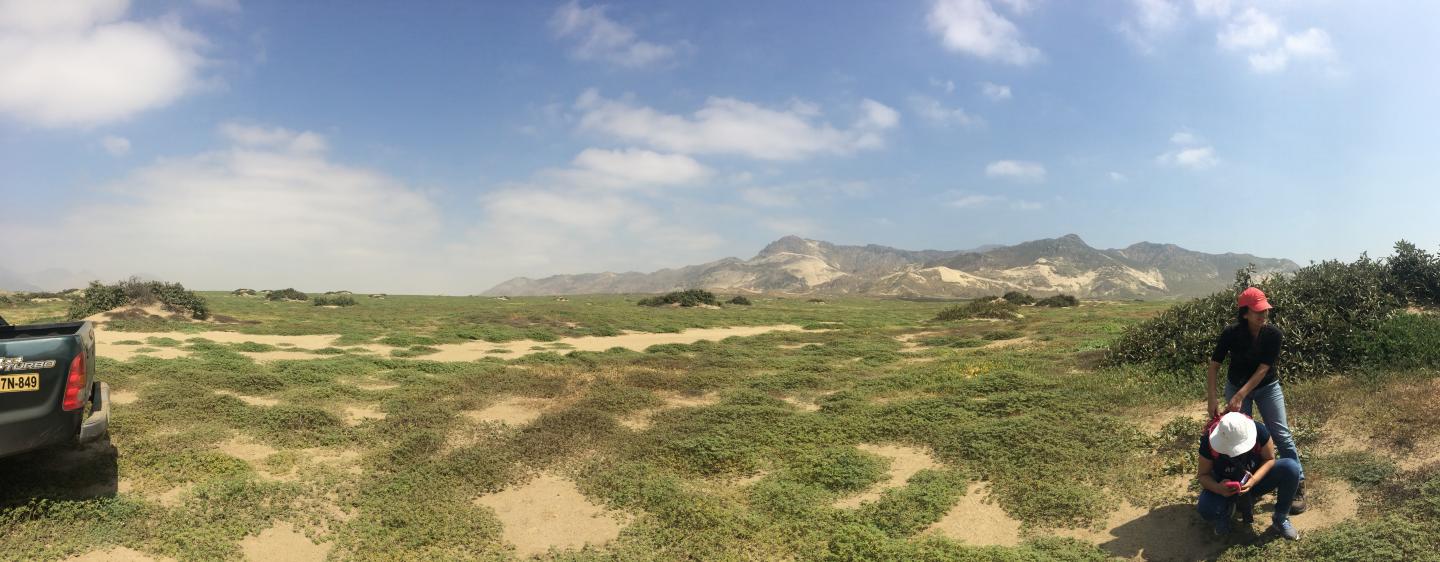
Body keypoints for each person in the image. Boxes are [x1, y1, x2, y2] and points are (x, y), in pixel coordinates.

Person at [1206, 286, 1306, 514]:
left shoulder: (1273, 335)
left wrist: (1240, 396)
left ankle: (1298, 483)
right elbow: (1214, 366)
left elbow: (1263, 370)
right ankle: (1244, 486)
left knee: (1281, 433)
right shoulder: (1231, 333)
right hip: (1235, 384)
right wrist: (1212, 399)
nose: (1263, 315)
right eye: (1257, 311)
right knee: (1240, 436)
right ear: (1245, 313)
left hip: (1267, 387)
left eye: (1265, 310)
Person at [1197, 412, 1301, 540]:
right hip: (1225, 488)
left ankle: (1280, 517)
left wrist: (1254, 479)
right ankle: (1226, 512)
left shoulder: (1259, 430)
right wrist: (1219, 488)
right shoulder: (1208, 442)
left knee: (1290, 468)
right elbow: (1203, 475)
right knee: (1206, 509)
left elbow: (1269, 458)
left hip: (1255, 482)